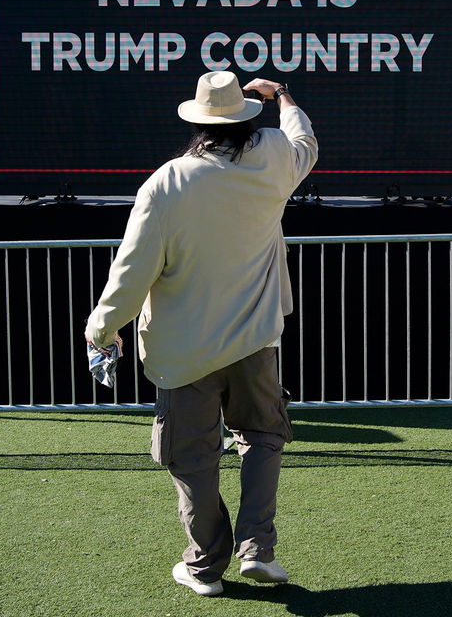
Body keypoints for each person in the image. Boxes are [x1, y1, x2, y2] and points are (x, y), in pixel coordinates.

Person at [84, 70, 317, 597]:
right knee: (261, 437)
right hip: (256, 340)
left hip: (182, 350)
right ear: (243, 118)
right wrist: (280, 96)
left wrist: (102, 327)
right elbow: (305, 140)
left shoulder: (167, 182)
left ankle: (206, 564)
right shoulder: (275, 158)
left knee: (191, 454)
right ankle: (257, 548)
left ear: (198, 123)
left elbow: (132, 270)